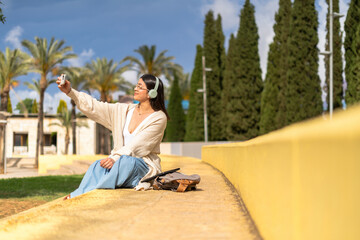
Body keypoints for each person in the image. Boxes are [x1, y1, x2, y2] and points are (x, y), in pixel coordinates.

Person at [57, 74, 169, 199]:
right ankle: (79, 194)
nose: (135, 88)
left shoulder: (159, 117)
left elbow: (137, 146)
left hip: (142, 167)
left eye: (140, 86)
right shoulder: (123, 110)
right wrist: (71, 92)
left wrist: (115, 158)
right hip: (119, 164)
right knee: (97, 165)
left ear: (151, 93)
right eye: (136, 85)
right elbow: (95, 107)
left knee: (125, 162)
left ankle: (92, 194)